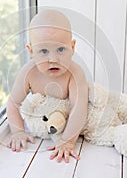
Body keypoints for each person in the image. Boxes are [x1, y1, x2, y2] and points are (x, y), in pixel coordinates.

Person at [7, 9, 88, 163]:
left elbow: (79, 108)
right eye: (43, 51)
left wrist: (67, 141)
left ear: (72, 47)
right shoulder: (28, 73)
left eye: (60, 49)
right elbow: (12, 103)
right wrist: (17, 132)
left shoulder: (75, 73)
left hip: (65, 122)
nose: (53, 59)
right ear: (31, 51)